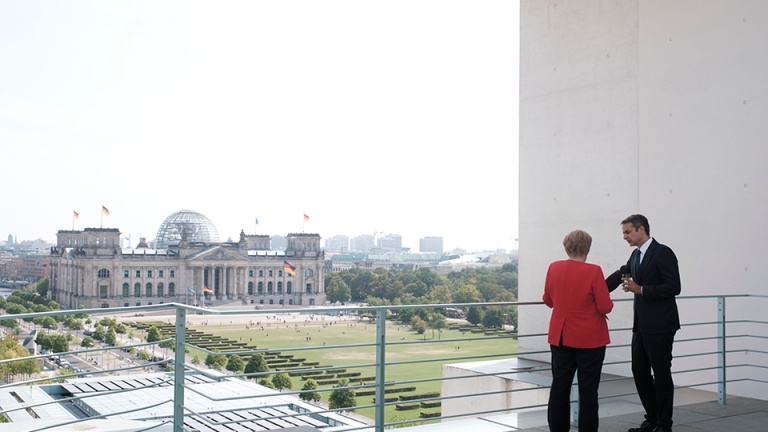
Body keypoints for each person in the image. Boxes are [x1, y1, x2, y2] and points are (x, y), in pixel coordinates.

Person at [606, 214, 681, 432]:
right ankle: (653, 419)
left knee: (661, 373)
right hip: (641, 325)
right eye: (623, 233)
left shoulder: (663, 252)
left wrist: (642, 290)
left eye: (627, 232)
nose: (625, 237)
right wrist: (596, 290)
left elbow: (674, 287)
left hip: (661, 325)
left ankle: (664, 425)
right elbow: (622, 273)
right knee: (639, 371)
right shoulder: (635, 255)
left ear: (641, 230)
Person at [543, 230, 613, 432]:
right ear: (587, 248)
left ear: (566, 246)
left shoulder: (554, 267)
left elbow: (548, 300)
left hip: (561, 336)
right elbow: (605, 307)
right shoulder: (594, 271)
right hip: (589, 339)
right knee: (589, 391)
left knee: (559, 388)